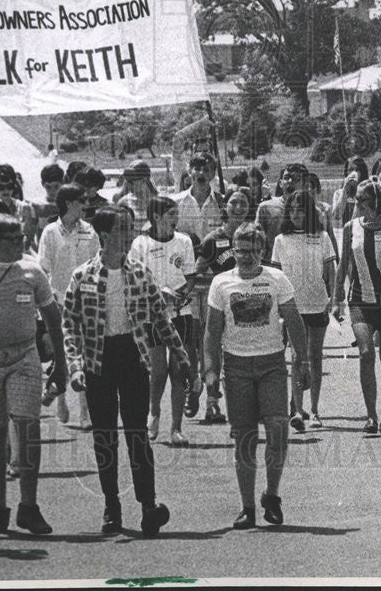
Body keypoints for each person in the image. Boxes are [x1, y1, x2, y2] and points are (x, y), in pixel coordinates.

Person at [63, 205, 194, 537]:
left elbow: (161, 319)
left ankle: (148, 505)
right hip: (98, 360)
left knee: (137, 434)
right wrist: (76, 367)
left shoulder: (140, 272)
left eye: (132, 227)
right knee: (104, 436)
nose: (132, 233)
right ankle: (112, 506)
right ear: (106, 235)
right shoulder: (81, 276)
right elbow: (69, 326)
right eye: (124, 228)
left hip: (132, 357)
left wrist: (181, 355)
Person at [204, 223, 311, 529]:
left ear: (262, 251)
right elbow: (212, 331)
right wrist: (210, 370)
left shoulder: (276, 279)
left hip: (271, 365)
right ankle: (247, 507)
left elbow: (293, 320)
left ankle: (272, 496)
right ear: (233, 251)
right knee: (245, 439)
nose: (247, 256)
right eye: (241, 250)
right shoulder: (221, 283)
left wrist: (302, 362)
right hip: (237, 367)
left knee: (278, 429)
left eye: (253, 250)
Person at [0, 213, 67, 537]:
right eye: (15, 239)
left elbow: (53, 318)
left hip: (24, 357)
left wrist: (60, 364)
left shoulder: (32, 271)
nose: (23, 243)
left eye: (23, 237)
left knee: (28, 427)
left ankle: (29, 507)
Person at [332, 172, 381, 434]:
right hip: (360, 299)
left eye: (362, 198)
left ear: (375, 200)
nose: (357, 203)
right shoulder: (352, 228)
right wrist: (335, 298)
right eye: (356, 198)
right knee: (366, 353)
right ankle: (371, 415)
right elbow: (343, 263)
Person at [128, 196, 197, 446]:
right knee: (158, 371)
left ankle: (176, 429)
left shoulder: (184, 241)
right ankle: (154, 413)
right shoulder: (140, 243)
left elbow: (190, 277)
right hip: (153, 313)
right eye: (170, 214)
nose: (175, 219)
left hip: (182, 312)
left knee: (179, 370)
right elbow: (135, 279)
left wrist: (180, 296)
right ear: (156, 217)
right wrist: (158, 296)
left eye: (176, 214)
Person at [36, 182, 99, 428]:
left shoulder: (90, 231)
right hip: (59, 302)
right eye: (81, 200)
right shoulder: (50, 232)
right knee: (63, 356)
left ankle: (85, 412)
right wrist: (51, 301)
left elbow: (96, 264)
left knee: (84, 357)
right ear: (69, 204)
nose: (86, 205)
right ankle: (61, 400)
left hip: (86, 302)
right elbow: (44, 268)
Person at [271, 191, 336, 429]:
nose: (296, 214)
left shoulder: (322, 236)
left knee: (315, 357)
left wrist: (334, 298)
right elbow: (276, 275)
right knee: (297, 357)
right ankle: (298, 410)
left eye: (301, 209)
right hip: (292, 307)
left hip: (317, 303)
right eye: (292, 209)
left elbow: (331, 270)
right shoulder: (280, 239)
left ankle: (316, 410)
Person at [190, 189, 253, 424]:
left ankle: (243, 406)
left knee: (240, 358)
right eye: (233, 202)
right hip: (217, 307)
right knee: (213, 356)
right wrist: (221, 283)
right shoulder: (212, 240)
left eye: (243, 203)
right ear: (224, 206)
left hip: (245, 307)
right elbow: (196, 276)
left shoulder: (253, 236)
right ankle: (211, 403)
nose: (238, 207)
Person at [255, 163, 308, 261]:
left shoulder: (311, 210)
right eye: (287, 177)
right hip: (273, 267)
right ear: (280, 183)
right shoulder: (266, 208)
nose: (290, 181)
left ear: (305, 184)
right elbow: (257, 241)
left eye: (296, 179)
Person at [173, 152, 224, 248]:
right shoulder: (175, 202)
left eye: (206, 170)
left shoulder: (222, 203)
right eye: (197, 169)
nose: (201, 173)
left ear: (213, 174)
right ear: (189, 171)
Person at [0, 164, 37, 249]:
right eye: (1, 187)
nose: (6, 190)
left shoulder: (24, 209)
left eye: (9, 186)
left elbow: (28, 242)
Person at [116, 161, 158, 230]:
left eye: (132, 181)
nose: (128, 185)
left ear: (145, 180)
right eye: (127, 180)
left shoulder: (159, 202)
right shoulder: (124, 203)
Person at [331, 156, 370, 227]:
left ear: (362, 172)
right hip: (347, 234)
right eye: (350, 170)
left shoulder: (369, 191)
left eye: (357, 170)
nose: (353, 173)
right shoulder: (338, 193)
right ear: (346, 172)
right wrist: (344, 190)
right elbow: (337, 216)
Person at [30, 163, 65, 239]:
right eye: (48, 187)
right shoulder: (37, 204)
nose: (52, 191)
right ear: (42, 184)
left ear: (62, 182)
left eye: (56, 186)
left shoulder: (69, 204)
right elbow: (30, 234)